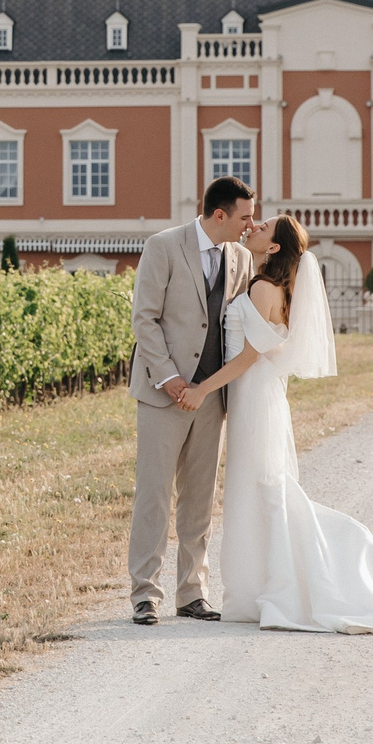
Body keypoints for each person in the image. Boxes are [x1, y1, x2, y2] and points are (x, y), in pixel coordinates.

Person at [183, 214, 373, 634]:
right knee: (261, 487)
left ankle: (278, 584)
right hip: (260, 394)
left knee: (260, 488)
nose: (254, 226)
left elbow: (249, 356)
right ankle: (261, 585)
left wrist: (201, 389)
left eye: (265, 227)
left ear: (273, 248)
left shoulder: (260, 288)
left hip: (253, 392)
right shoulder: (273, 287)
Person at [126, 175, 257, 625]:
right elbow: (145, 319)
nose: (249, 224)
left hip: (211, 397)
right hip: (164, 394)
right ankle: (145, 594)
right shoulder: (163, 246)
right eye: (244, 217)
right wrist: (169, 380)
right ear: (219, 215)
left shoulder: (240, 257)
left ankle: (191, 592)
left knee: (200, 498)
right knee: (154, 495)